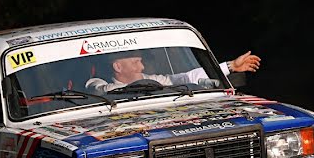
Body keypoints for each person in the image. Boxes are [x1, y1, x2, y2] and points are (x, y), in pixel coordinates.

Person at [86, 50, 261, 93]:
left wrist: (230, 66)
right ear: (118, 67)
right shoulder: (95, 83)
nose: (142, 67)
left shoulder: (150, 79)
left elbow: (186, 78)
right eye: (136, 62)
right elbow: (105, 91)